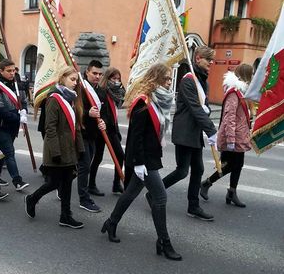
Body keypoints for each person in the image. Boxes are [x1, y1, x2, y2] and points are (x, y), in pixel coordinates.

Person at [101, 64, 181, 261]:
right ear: (156, 78)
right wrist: (138, 163)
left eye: (170, 79)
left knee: (130, 193)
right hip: (142, 159)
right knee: (160, 198)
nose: (169, 83)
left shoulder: (159, 101)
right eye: (166, 79)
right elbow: (135, 137)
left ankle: (112, 222)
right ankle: (164, 241)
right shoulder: (143, 102)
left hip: (151, 157)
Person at [161, 46, 217, 221]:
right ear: (198, 58)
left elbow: (203, 107)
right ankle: (156, 192)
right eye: (209, 60)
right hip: (185, 132)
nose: (211, 64)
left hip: (194, 133)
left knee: (198, 169)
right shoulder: (188, 80)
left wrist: (207, 112)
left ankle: (193, 207)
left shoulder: (203, 81)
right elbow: (194, 109)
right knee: (182, 171)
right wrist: (211, 130)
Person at [25, 67, 85, 228]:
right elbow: (49, 128)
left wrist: (80, 148)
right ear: (62, 78)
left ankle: (65, 216)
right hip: (57, 149)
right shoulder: (54, 99)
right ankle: (32, 198)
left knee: (67, 182)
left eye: (76, 80)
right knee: (54, 182)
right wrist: (56, 152)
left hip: (70, 149)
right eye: (72, 79)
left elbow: (75, 126)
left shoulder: (70, 98)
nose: (75, 83)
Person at [200, 64, 253, 207]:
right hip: (233, 136)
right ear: (246, 75)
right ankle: (207, 183)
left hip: (240, 136)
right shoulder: (234, 92)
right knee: (229, 166)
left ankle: (231, 192)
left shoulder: (242, 92)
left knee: (237, 165)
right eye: (251, 74)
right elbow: (229, 117)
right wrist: (230, 139)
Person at [0, 59, 29, 191]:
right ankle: (17, 181)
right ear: (1, 71)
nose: (12, 73)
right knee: (9, 152)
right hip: (0, 125)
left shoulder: (17, 84)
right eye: (9, 71)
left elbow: (23, 100)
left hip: (12, 125)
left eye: (14, 70)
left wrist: (24, 110)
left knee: (3, 153)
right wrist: (18, 118)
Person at [89, 67, 125, 195]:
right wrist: (103, 121)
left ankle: (116, 184)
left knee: (120, 155)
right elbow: (100, 111)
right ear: (108, 78)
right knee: (97, 157)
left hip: (112, 130)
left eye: (118, 79)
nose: (116, 81)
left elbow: (117, 108)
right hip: (102, 131)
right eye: (114, 78)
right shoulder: (101, 92)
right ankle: (91, 185)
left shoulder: (116, 92)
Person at [78, 60, 106, 213]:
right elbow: (72, 111)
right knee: (84, 165)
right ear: (87, 72)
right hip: (80, 133)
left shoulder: (100, 91)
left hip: (93, 134)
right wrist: (86, 113)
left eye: (100, 74)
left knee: (79, 167)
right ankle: (84, 198)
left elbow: (104, 113)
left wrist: (103, 123)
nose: (97, 76)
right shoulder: (80, 88)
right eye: (94, 73)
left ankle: (61, 186)